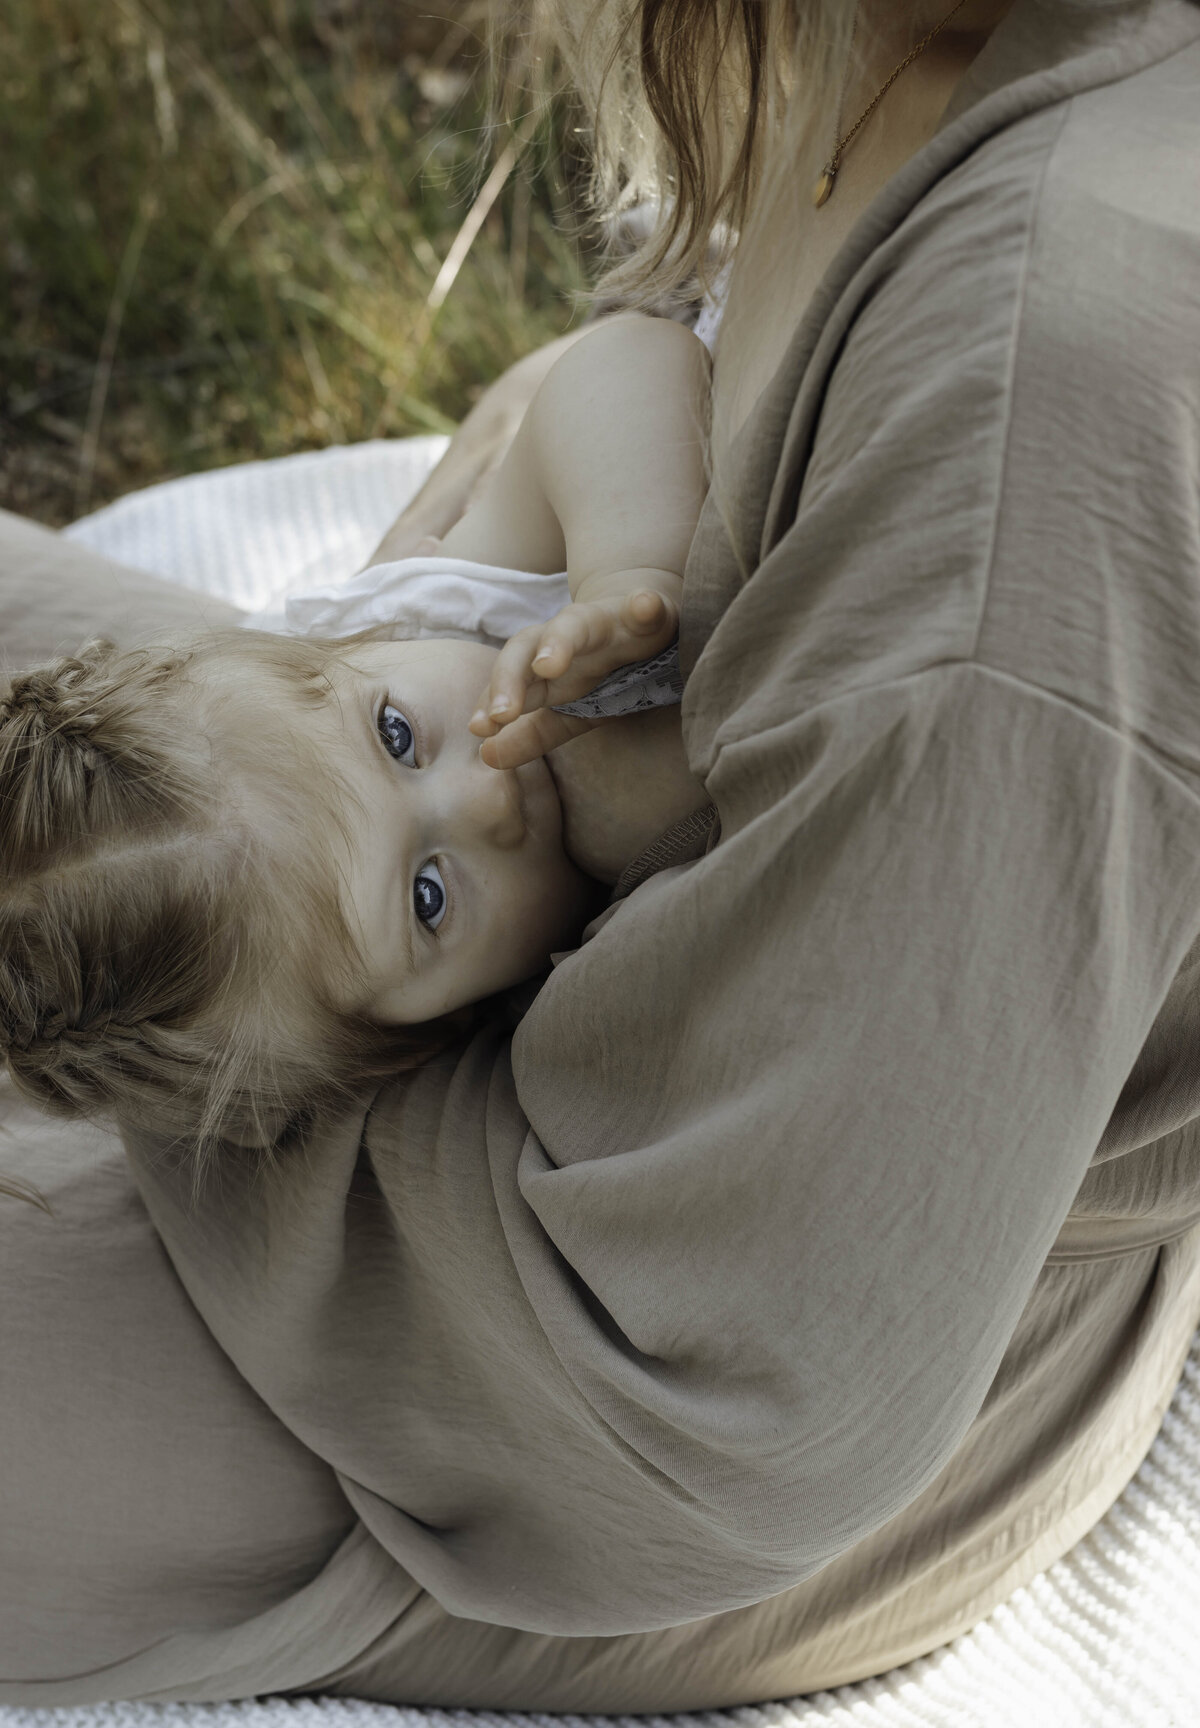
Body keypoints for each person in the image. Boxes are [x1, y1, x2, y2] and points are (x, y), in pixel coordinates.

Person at [3, 0, 1200, 1709]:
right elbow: (580, 413)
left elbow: (735, 1393)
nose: (486, 788)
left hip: (661, 1330)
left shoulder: (1041, 404)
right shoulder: (866, 53)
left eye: (431, 883)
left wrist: (238, 1096)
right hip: (404, 1005)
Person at [0, 312, 712, 1159]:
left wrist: (631, 568)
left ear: (341, 647)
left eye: (399, 737)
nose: (488, 789)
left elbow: (624, 359)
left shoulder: (431, 612)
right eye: (428, 899)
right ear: (410, 1035)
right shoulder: (551, 1031)